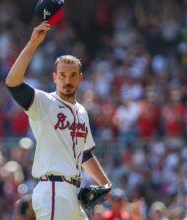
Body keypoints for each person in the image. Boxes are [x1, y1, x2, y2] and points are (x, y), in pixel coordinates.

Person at [6, 21, 111, 220]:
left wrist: (106, 184)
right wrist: (33, 44)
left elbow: (85, 155)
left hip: (73, 193)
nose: (67, 80)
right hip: (52, 189)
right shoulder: (44, 103)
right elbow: (12, 83)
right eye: (62, 75)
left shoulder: (81, 111)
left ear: (80, 78)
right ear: (55, 77)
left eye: (72, 76)